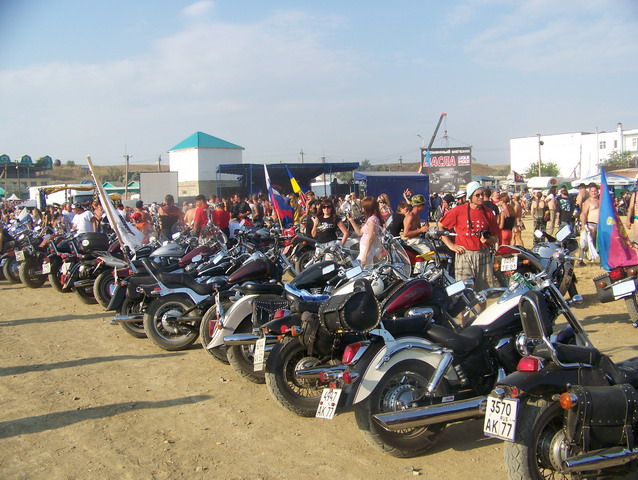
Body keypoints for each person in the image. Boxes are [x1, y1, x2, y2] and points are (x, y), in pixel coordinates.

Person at [438, 181, 500, 323]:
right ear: (470, 196)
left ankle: (480, 322)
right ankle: (464, 324)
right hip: (464, 255)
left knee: (482, 292)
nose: (481, 197)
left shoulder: (488, 213)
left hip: (482, 254)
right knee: (464, 293)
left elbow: (496, 236)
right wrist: (451, 245)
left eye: (482, 194)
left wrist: (488, 240)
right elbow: (441, 226)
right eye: (477, 195)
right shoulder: (459, 211)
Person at [348, 197, 382, 267]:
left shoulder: (372, 220)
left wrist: (364, 256)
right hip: (364, 248)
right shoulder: (370, 219)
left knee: (362, 269)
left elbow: (371, 238)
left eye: (363, 207)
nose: (362, 209)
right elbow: (359, 232)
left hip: (367, 249)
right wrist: (351, 220)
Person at [580, 183, 600, 249]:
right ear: (589, 192)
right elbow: (584, 213)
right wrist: (583, 225)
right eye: (592, 191)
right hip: (591, 224)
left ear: (597, 191)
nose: (594, 193)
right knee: (590, 243)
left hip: (600, 225)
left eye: (595, 191)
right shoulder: (588, 201)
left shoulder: (600, 201)